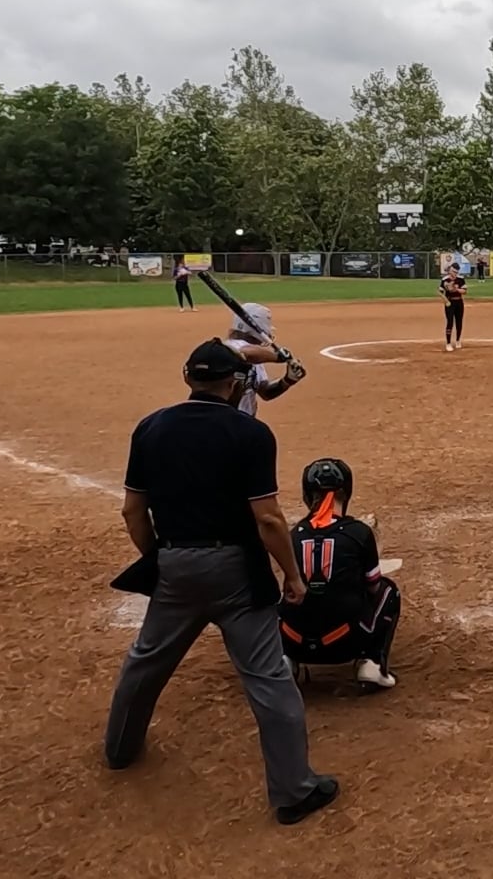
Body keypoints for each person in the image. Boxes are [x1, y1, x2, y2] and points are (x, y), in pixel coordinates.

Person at [103, 338, 339, 825]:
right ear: (234, 384)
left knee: (145, 661)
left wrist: (161, 560)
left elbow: (133, 510)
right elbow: (268, 519)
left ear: (188, 378)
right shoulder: (250, 433)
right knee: (268, 679)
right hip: (236, 571)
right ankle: (293, 792)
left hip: (174, 564)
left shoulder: (151, 427)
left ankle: (119, 748)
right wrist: (292, 575)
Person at [278, 458, 401, 691]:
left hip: (295, 642)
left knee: (279, 597)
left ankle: (284, 660)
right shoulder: (359, 532)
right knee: (388, 590)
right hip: (346, 642)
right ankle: (373, 664)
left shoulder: (293, 535)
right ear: (346, 492)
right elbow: (373, 586)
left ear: (307, 494)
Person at [220, 303, 305, 419]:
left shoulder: (257, 357)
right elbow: (244, 353)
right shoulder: (229, 348)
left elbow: (265, 393)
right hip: (225, 423)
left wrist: (287, 380)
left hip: (244, 422)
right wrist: (277, 357)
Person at [439, 263, 467, 351]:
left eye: (456, 272)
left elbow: (465, 291)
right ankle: (448, 343)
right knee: (450, 322)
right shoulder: (445, 280)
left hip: (459, 302)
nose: (455, 273)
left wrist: (456, 289)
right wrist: (445, 301)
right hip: (449, 302)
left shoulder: (460, 279)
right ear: (450, 270)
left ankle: (458, 340)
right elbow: (440, 292)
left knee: (459, 321)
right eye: (453, 271)